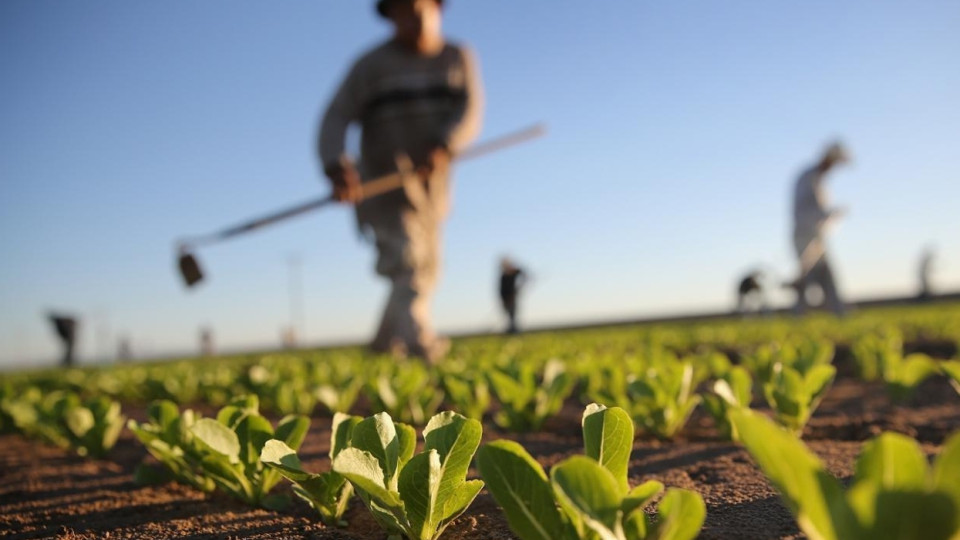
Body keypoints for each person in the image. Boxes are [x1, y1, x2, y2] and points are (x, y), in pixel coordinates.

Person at [319, 0, 483, 362]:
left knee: (426, 268)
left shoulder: (457, 57)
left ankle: (381, 346)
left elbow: (469, 111)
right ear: (391, 17)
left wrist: (444, 143)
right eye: (403, 10)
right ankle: (421, 346)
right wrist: (335, 165)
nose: (414, 18)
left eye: (420, 7)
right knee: (408, 262)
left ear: (438, 9)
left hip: (432, 189)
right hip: (382, 184)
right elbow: (335, 117)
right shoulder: (370, 66)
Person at [789, 142, 850, 316]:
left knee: (827, 275)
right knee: (807, 277)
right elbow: (806, 210)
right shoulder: (808, 178)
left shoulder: (819, 180)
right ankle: (799, 316)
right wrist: (831, 213)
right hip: (805, 236)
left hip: (817, 237)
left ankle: (839, 313)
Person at [499, 258, 527, 334]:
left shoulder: (514, 272)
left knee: (513, 314)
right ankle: (511, 329)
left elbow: (523, 273)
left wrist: (519, 287)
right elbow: (501, 290)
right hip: (506, 299)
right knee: (509, 315)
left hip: (513, 297)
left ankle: (514, 330)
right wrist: (504, 300)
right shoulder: (503, 276)